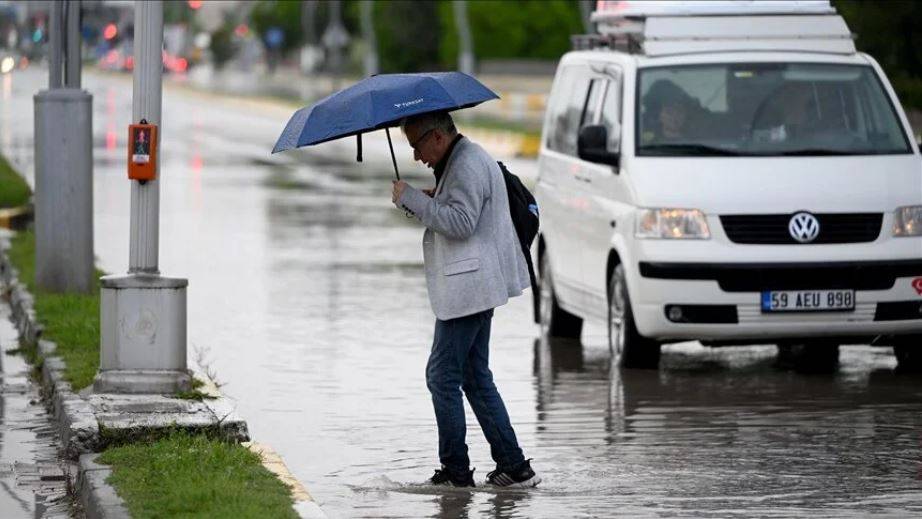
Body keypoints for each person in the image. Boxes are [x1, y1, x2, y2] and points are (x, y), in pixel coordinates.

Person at [390, 111, 541, 489]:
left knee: (441, 376)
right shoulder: (463, 159)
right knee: (474, 377)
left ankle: (456, 472)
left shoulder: (466, 165)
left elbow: (460, 223)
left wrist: (411, 197)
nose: (416, 157)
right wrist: (427, 199)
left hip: (469, 289)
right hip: (475, 285)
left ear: (437, 137)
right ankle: (514, 467)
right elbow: (461, 210)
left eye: (417, 146)